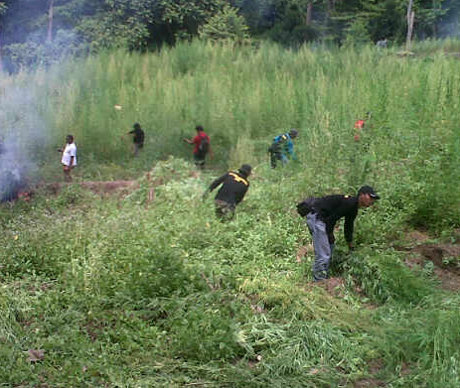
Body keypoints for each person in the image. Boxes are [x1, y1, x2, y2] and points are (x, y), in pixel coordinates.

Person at [298, 185, 380, 281]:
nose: (372, 201)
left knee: (330, 247)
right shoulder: (349, 203)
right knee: (324, 254)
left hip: (322, 219)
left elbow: (348, 226)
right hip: (316, 217)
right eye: (370, 197)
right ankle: (318, 282)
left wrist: (350, 245)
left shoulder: (353, 207)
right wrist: (329, 233)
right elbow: (332, 218)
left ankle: (324, 277)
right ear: (361, 195)